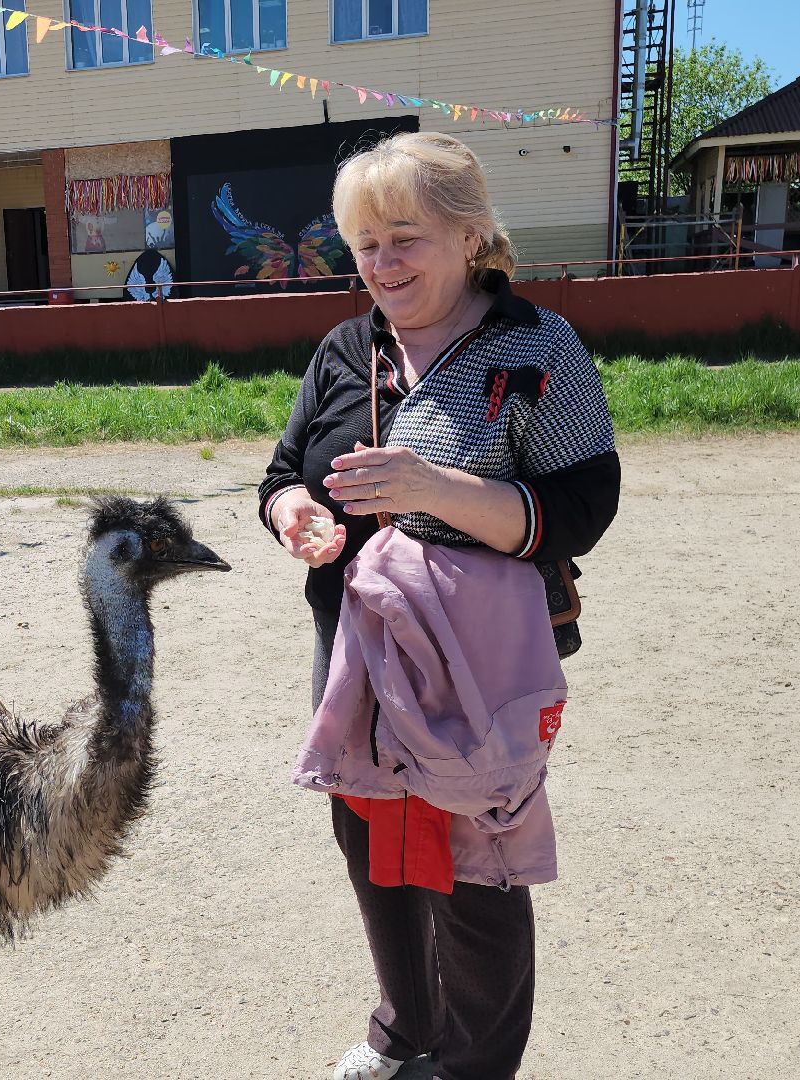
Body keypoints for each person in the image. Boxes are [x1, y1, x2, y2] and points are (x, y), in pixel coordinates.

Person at [257, 132, 621, 1080]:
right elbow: (282, 475)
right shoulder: (344, 347)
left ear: (469, 236)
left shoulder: (536, 347)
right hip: (355, 654)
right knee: (375, 842)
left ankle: (471, 1063)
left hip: (478, 663)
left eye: (404, 237)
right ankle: (404, 1027)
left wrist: (434, 487)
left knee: (475, 862)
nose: (381, 263)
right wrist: (292, 513)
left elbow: (584, 508)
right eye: (365, 243)